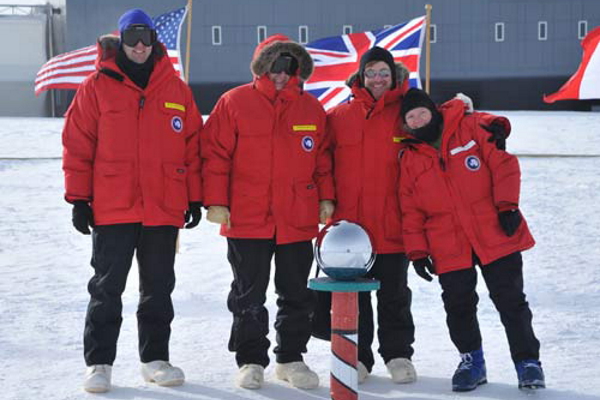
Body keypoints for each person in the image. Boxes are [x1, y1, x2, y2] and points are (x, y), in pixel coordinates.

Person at [62, 9, 203, 393]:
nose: (140, 46)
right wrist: (79, 198)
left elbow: (193, 147)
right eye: (132, 38)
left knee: (158, 288)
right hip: (113, 206)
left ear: (155, 41)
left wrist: (193, 196)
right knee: (107, 288)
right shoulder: (96, 86)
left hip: (163, 206)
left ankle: (155, 359)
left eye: (146, 38)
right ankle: (99, 363)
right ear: (120, 40)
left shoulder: (176, 89)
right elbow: (78, 144)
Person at [201, 34, 335, 390]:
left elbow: (322, 160)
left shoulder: (311, 109)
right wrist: (216, 201)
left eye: (289, 67)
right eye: (275, 66)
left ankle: (291, 358)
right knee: (248, 294)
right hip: (247, 217)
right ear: (262, 67)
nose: (281, 74)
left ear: (298, 70)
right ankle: (250, 360)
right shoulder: (234, 102)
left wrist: (326, 198)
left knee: (296, 293)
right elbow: (215, 155)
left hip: (296, 217)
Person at [397, 88, 545, 392]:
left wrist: (507, 206)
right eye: (411, 118)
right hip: (446, 243)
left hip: (494, 231)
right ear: (406, 126)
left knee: (511, 301)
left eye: (421, 112)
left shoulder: (468, 126)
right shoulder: (409, 158)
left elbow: (503, 162)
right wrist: (417, 251)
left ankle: (528, 363)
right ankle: (471, 362)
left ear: (434, 111)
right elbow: (410, 208)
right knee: (458, 305)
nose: (418, 120)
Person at [317, 46, 417, 385]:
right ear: (361, 75)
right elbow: (323, 162)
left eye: (384, 73)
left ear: (394, 76)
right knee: (354, 297)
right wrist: (327, 199)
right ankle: (358, 357)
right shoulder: (339, 116)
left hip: (393, 222)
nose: (377, 79)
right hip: (351, 229)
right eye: (371, 72)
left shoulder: (407, 113)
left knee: (394, 292)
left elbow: (437, 132)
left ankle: (398, 353)